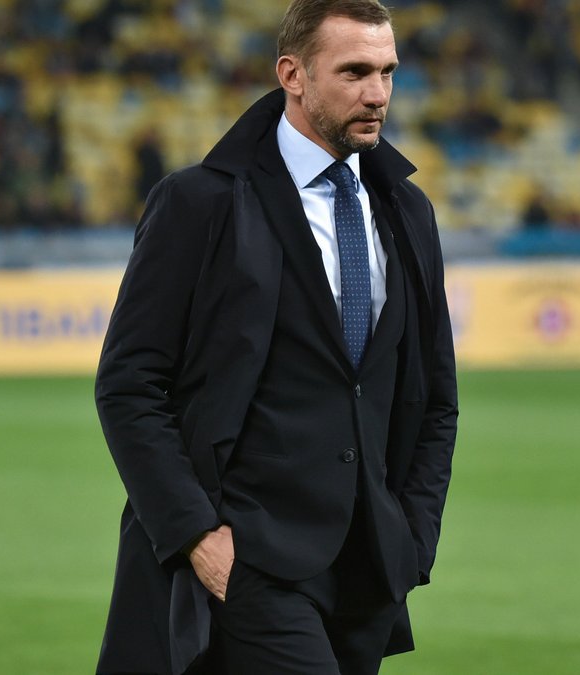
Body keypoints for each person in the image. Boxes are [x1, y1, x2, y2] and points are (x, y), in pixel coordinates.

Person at [93, 1, 459, 673]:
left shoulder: (409, 210)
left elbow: (435, 397)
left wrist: (414, 537)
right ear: (293, 75)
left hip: (368, 568)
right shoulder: (201, 202)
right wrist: (196, 534)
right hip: (248, 556)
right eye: (354, 72)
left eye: (387, 72)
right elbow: (128, 384)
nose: (377, 94)